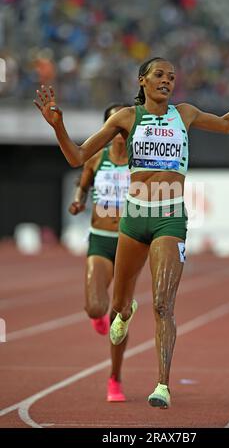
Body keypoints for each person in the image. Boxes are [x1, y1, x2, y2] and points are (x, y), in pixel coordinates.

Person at [34, 50, 229, 408]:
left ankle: (162, 384)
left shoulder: (186, 114)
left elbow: (226, 124)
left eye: (171, 77)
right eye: (160, 75)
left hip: (169, 217)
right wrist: (57, 125)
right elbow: (76, 156)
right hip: (133, 219)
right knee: (118, 305)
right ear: (142, 81)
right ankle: (124, 310)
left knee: (164, 304)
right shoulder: (126, 117)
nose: (167, 80)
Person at [69, 103, 131, 401]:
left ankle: (114, 379)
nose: (120, 133)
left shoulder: (139, 160)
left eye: (124, 126)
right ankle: (98, 315)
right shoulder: (96, 157)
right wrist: (79, 200)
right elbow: (82, 187)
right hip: (101, 239)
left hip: (130, 243)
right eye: (115, 127)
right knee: (95, 307)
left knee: (120, 316)